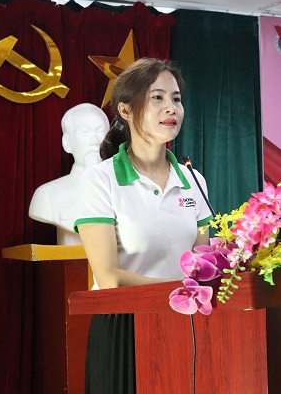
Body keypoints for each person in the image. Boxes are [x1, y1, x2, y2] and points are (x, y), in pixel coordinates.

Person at [74, 58, 213, 394]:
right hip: (123, 325)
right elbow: (109, 277)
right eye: (157, 98)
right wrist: (184, 290)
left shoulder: (194, 180)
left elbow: (202, 263)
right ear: (125, 109)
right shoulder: (99, 180)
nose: (171, 108)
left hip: (186, 323)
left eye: (176, 99)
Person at [28, 103, 109, 245]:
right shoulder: (48, 194)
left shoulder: (125, 191)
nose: (95, 141)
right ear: (67, 143)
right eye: (85, 132)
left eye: (101, 132)